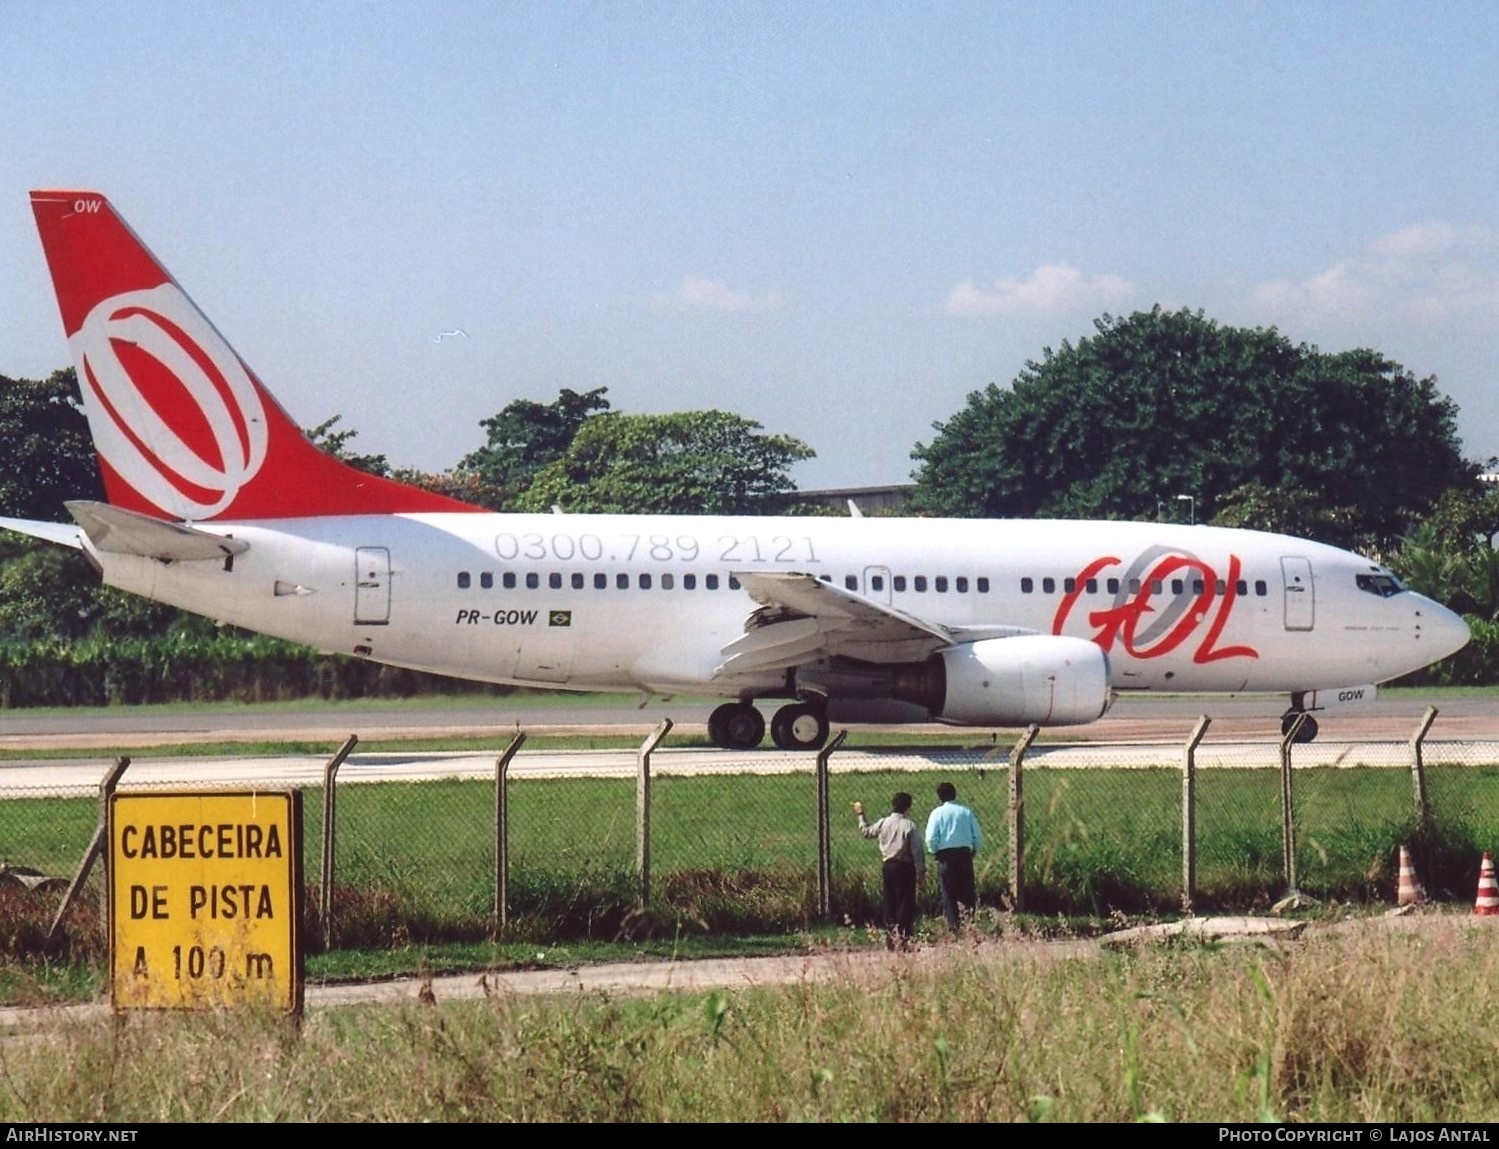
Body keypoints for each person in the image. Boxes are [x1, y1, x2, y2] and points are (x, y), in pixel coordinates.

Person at [853, 792, 925, 948]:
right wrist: (921, 872)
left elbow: (866, 832)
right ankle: (904, 938)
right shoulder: (909, 826)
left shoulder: (883, 823)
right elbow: (917, 851)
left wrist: (860, 815)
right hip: (905, 866)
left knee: (890, 901)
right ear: (908, 807)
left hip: (888, 866)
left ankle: (891, 938)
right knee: (905, 902)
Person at [924, 781, 983, 932]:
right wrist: (974, 849)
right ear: (954, 794)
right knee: (967, 890)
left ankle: (953, 926)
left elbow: (931, 838)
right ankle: (970, 922)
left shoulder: (936, 814)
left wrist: (934, 850)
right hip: (964, 854)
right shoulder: (966, 812)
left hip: (945, 856)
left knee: (948, 891)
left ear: (939, 797)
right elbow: (977, 835)